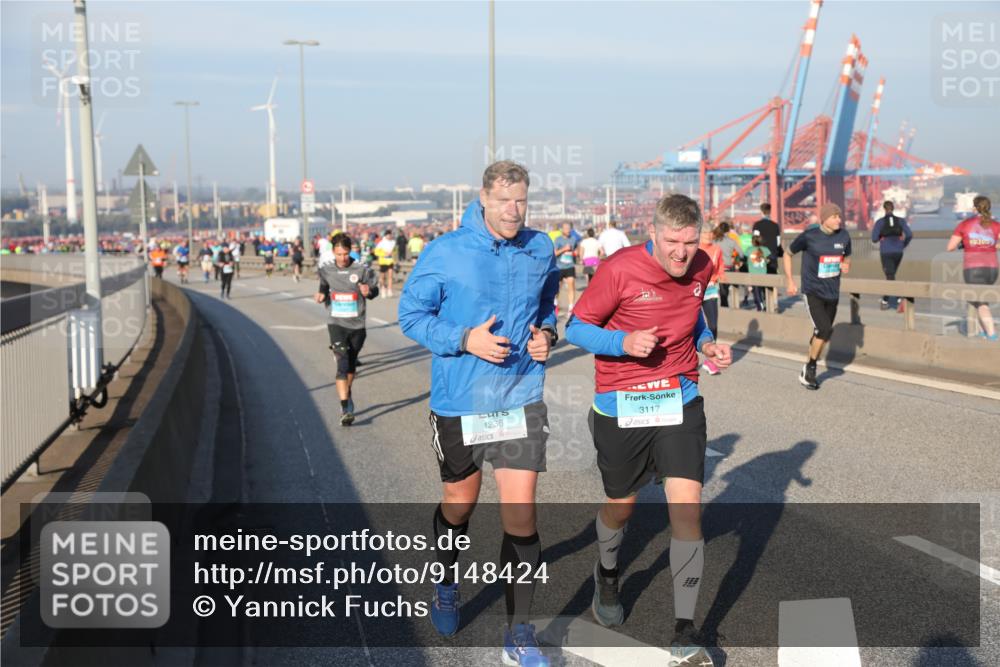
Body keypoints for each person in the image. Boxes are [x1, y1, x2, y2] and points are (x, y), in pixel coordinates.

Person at [398, 161, 559, 666]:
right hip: (460, 403)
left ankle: (519, 633)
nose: (514, 211)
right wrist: (465, 338)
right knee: (459, 506)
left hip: (519, 395)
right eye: (504, 201)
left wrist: (546, 335)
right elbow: (410, 315)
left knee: (522, 514)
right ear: (483, 199)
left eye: (522, 201)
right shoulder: (445, 251)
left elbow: (548, 304)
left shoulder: (540, 247)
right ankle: (446, 580)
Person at [566, 193, 730, 667]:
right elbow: (576, 327)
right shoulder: (618, 269)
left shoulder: (701, 266)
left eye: (690, 241)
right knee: (622, 507)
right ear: (653, 235)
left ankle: (685, 630)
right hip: (622, 404)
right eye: (673, 241)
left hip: (679, 397)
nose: (682, 252)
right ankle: (608, 572)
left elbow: (693, 316)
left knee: (688, 510)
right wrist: (622, 341)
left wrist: (708, 344)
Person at [783, 203, 852, 390]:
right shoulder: (809, 236)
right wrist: (790, 281)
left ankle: (811, 357)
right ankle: (810, 368)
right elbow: (787, 254)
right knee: (825, 329)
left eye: (839, 216)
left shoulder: (844, 236)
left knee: (822, 333)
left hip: (833, 292)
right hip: (813, 291)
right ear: (825, 219)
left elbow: (847, 256)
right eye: (834, 216)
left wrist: (846, 264)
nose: (839, 219)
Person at [315, 235, 380, 425]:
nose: (342, 258)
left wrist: (370, 292)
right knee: (342, 363)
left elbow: (374, 291)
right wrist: (320, 295)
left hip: (357, 326)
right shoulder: (326, 269)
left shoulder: (361, 270)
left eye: (345, 254)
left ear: (350, 251)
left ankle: (347, 392)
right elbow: (323, 286)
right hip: (336, 324)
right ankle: (345, 408)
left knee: (351, 365)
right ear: (333, 252)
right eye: (338, 254)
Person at [947, 195, 999, 341]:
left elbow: (950, 247)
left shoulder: (965, 224)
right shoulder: (995, 225)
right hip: (993, 269)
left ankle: (992, 334)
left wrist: (965, 244)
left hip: (973, 268)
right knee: (980, 299)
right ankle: (983, 331)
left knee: (980, 301)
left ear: (974, 208)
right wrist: (990, 245)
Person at [871, 200, 913, 310]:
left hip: (886, 251)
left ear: (884, 209)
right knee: (891, 274)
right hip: (898, 252)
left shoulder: (880, 222)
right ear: (893, 208)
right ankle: (893, 298)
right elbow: (909, 234)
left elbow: (874, 239)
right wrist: (903, 245)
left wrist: (881, 236)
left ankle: (892, 299)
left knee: (890, 275)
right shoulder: (901, 221)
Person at [698, 226, 726, 375]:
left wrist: (721, 274)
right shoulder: (694, 249)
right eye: (705, 232)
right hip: (695, 290)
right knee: (689, 326)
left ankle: (711, 359)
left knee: (713, 325)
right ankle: (687, 356)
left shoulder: (717, 249)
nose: (708, 235)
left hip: (710, 289)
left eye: (710, 233)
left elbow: (720, 264)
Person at [714, 222, 743, 308]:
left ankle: (724, 307)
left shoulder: (714, 241)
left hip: (718, 269)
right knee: (729, 289)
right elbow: (741, 254)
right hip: (729, 267)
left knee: (723, 292)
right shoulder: (732, 241)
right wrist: (736, 259)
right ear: (728, 231)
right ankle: (730, 307)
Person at [751, 202, 783, 275]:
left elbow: (755, 240)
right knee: (771, 278)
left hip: (760, 254)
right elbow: (778, 243)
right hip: (772, 254)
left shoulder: (757, 225)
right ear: (770, 211)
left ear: (761, 211)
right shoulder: (775, 226)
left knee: (759, 277)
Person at [554, 222, 580, 312]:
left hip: (570, 266)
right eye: (566, 228)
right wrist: (564, 249)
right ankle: (556, 303)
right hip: (559, 266)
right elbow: (555, 253)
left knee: (571, 285)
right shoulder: (558, 240)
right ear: (562, 230)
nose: (568, 230)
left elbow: (577, 250)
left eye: (569, 228)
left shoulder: (573, 239)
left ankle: (571, 306)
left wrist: (576, 252)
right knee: (557, 288)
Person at [746, 234, 772, 311]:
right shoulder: (765, 249)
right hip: (763, 273)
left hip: (753, 273)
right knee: (762, 290)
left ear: (752, 242)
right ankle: (764, 303)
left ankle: (760, 305)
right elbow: (770, 259)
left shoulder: (749, 250)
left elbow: (743, 258)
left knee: (756, 290)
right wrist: (766, 262)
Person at [375, 230, 397, 297]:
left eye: (391, 235)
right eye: (388, 235)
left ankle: (389, 290)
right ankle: (383, 289)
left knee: (390, 276)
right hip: (383, 261)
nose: (390, 236)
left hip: (390, 261)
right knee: (383, 277)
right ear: (385, 235)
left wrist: (392, 253)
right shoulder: (381, 243)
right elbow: (376, 252)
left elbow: (395, 251)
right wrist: (384, 254)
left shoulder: (393, 242)